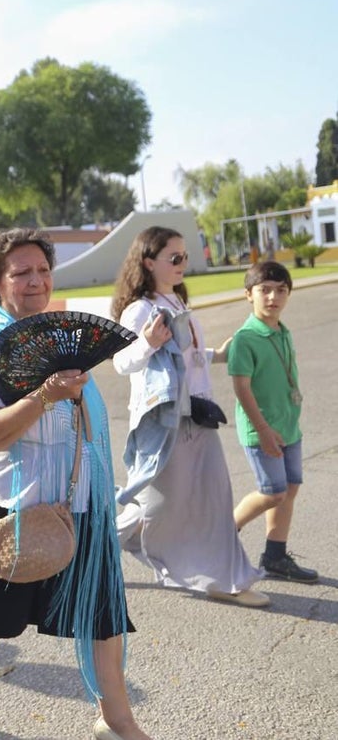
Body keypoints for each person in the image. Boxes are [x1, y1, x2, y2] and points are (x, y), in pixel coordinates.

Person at [0, 229, 151, 740]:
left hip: (79, 498)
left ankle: (116, 719)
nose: (36, 280)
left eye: (43, 270)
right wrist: (43, 397)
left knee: (101, 610)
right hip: (9, 503)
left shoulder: (56, 338)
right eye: (21, 273)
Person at [109, 227, 266, 607]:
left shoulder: (177, 300)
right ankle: (95, 551)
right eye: (174, 257)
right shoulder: (139, 309)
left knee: (213, 496)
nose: (183, 263)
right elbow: (121, 362)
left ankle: (227, 579)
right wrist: (147, 343)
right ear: (149, 262)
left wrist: (215, 355)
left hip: (197, 413)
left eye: (185, 256)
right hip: (163, 422)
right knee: (152, 504)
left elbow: (185, 357)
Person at [228, 261, 318, 583]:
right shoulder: (246, 338)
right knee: (274, 492)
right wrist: (264, 430)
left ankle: (276, 557)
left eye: (281, 290)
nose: (272, 297)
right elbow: (241, 388)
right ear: (248, 294)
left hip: (288, 425)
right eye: (264, 290)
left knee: (290, 488)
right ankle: (222, 531)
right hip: (262, 430)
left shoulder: (282, 330)